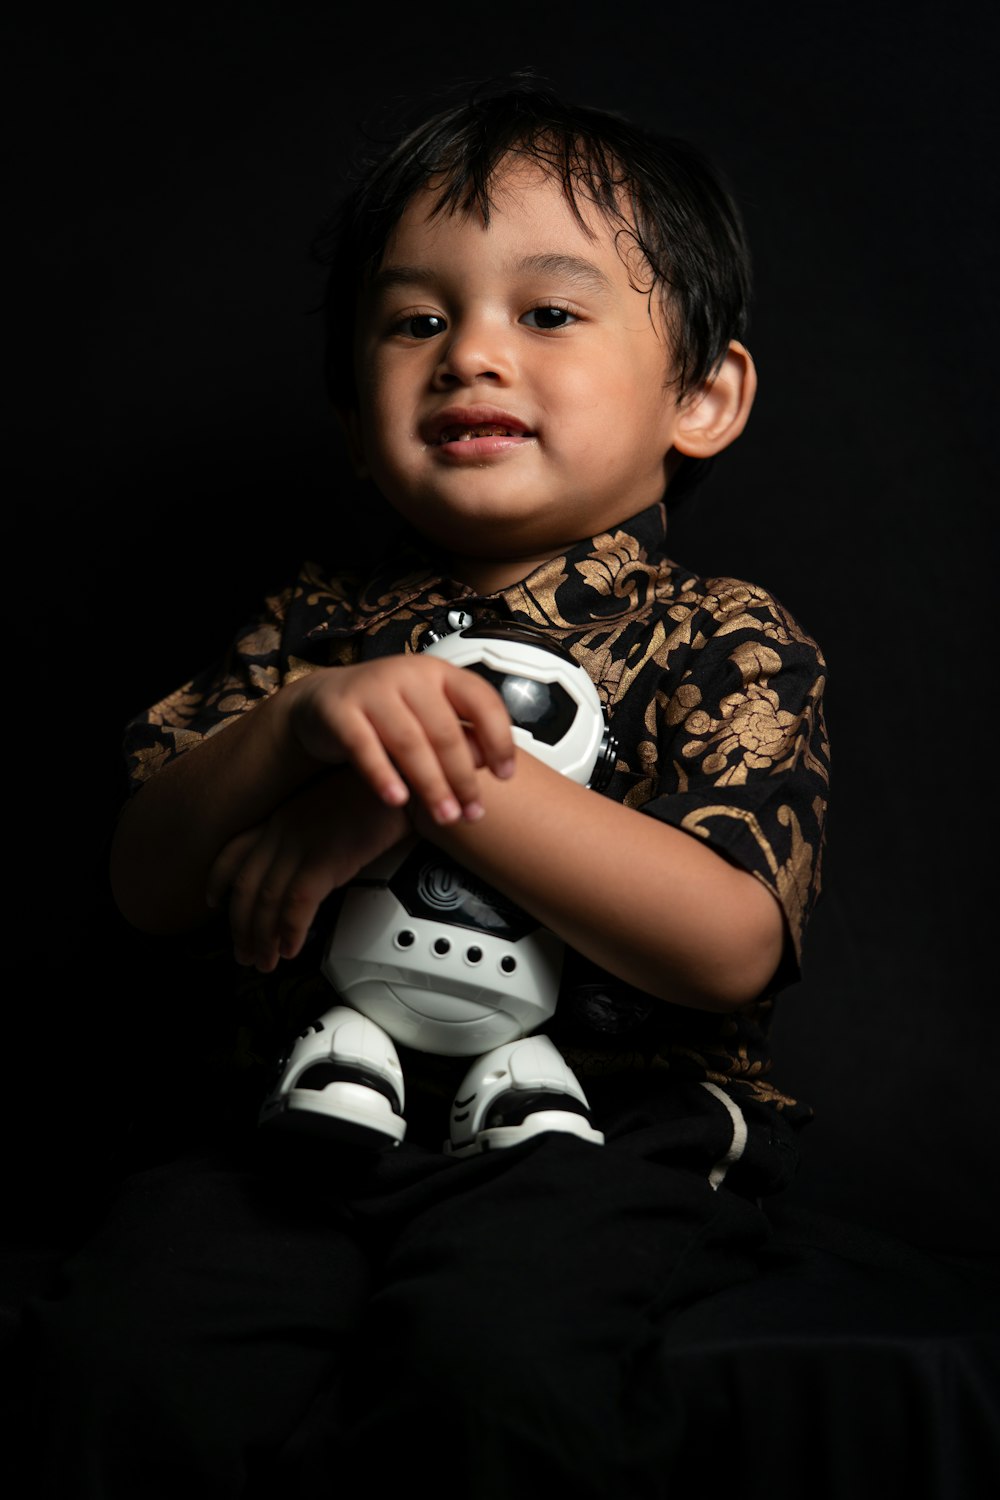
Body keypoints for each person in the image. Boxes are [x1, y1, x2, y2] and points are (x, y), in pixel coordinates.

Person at [25, 74, 830, 1498]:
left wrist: (406, 786)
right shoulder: (309, 634)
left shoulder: (720, 637)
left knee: (500, 1369)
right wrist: (298, 730)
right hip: (293, 1110)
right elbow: (146, 884)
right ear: (356, 412)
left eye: (548, 312)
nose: (469, 356)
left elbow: (726, 944)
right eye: (414, 320)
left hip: (594, 1130)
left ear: (702, 395)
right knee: (128, 1359)